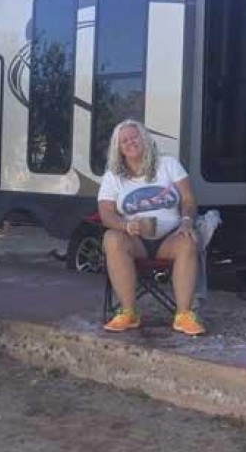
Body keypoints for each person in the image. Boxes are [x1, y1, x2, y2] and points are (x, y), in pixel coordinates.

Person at [98, 119, 205, 336]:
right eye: (124, 140)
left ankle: (184, 314)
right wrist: (124, 225)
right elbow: (106, 213)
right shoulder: (113, 176)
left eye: (134, 137)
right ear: (118, 148)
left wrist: (186, 221)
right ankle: (128, 312)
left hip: (170, 237)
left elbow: (188, 200)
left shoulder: (168, 165)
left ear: (145, 139)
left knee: (188, 241)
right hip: (135, 240)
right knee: (112, 238)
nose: (130, 142)